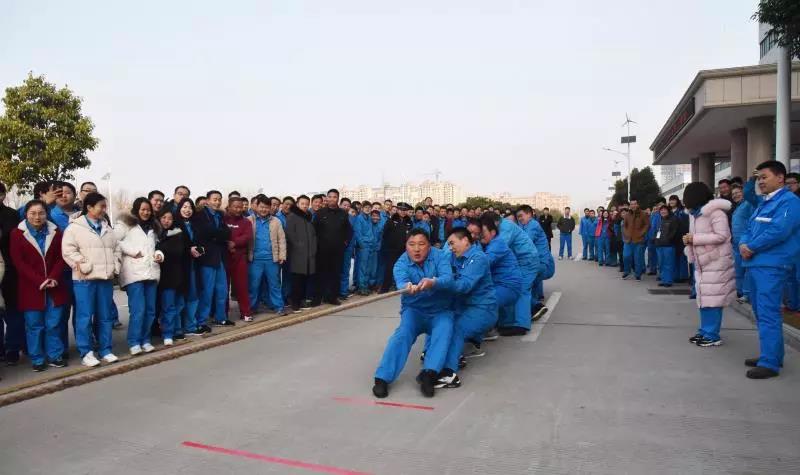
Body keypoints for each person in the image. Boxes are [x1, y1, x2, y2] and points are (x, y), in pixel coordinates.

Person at [372, 229, 455, 399]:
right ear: (406, 246)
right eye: (412, 244)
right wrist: (407, 287)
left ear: (429, 246)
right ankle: (382, 378)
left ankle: (429, 375)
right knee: (402, 335)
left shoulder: (440, 257)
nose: (416, 249)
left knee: (444, 331)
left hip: (440, 310)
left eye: (421, 244)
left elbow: (448, 278)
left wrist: (433, 282)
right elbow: (401, 281)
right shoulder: (401, 263)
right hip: (414, 310)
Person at [739, 161, 800, 379]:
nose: (761, 182)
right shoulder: (765, 202)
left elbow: (779, 231)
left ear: (780, 178)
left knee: (768, 312)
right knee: (760, 310)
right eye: (759, 178)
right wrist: (743, 243)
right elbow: (749, 228)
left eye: (764, 177)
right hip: (756, 263)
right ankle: (772, 354)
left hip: (772, 265)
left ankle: (769, 363)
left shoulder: (790, 202)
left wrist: (751, 246)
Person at [61, 193, 121, 367]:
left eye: (104, 206)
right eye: (101, 206)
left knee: (105, 316)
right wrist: (83, 264)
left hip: (105, 278)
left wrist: (115, 266)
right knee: (84, 317)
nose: (104, 209)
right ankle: (86, 352)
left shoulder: (107, 228)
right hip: (84, 280)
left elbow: (116, 249)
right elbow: (68, 251)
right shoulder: (74, 228)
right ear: (89, 207)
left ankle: (105, 350)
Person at [434, 228, 498, 389]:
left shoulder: (478, 258)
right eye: (448, 244)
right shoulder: (454, 257)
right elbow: (439, 267)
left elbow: (465, 285)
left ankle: (449, 374)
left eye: (452, 243)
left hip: (482, 308)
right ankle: (440, 358)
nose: (450, 248)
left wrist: (438, 283)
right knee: (439, 321)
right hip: (464, 306)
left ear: (465, 241)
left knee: (457, 329)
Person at [11, 200, 69, 371]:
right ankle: (37, 359)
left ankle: (55, 356)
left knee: (54, 324)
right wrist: (39, 280)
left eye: (41, 213)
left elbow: (61, 257)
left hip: (54, 285)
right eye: (33, 213)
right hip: (31, 287)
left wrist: (53, 277)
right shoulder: (17, 233)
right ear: (26, 214)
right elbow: (18, 262)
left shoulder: (55, 232)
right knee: (34, 326)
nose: (37, 217)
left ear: (46, 214)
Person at [682, 182, 735, 348]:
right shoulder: (694, 215)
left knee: (713, 299)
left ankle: (712, 334)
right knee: (704, 298)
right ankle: (705, 330)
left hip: (716, 261)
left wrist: (695, 239)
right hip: (702, 262)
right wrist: (689, 241)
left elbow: (722, 236)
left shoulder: (716, 213)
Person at [116, 198, 164, 354]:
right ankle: (134, 342)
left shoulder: (153, 227)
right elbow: (114, 241)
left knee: (150, 310)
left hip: (151, 272)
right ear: (136, 210)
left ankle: (145, 340)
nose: (146, 212)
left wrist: (159, 254)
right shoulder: (125, 224)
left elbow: (157, 246)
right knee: (138, 310)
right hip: (134, 273)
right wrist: (132, 251)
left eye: (148, 210)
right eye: (143, 209)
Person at [193, 190, 233, 330]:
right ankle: (201, 321)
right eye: (214, 199)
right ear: (208, 200)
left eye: (219, 199)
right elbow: (204, 232)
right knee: (207, 291)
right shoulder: (200, 215)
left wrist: (216, 235)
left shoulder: (220, 215)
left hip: (220, 257)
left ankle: (220, 318)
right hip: (207, 258)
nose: (217, 202)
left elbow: (227, 233)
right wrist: (218, 235)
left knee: (222, 290)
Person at [155, 207, 190, 344]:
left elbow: (178, 251)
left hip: (178, 274)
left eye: (169, 218)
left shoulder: (177, 233)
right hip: (163, 276)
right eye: (164, 218)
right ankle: (168, 333)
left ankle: (177, 330)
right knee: (168, 306)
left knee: (179, 304)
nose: (166, 221)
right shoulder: (154, 235)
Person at [248, 195, 287, 315]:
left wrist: (282, 255)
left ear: (270, 208)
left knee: (274, 284)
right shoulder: (249, 220)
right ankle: (251, 308)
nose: (264, 209)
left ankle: (279, 307)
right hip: (255, 260)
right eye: (261, 207)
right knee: (253, 285)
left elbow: (281, 240)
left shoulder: (276, 221)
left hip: (272, 259)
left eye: (266, 207)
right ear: (256, 206)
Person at [314, 189, 351, 305]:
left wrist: (345, 243)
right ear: (327, 198)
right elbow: (314, 231)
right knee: (321, 274)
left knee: (335, 274)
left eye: (334, 197)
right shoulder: (320, 213)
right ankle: (318, 298)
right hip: (322, 250)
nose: (332, 199)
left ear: (338, 199)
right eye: (329, 196)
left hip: (338, 251)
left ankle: (332, 297)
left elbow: (348, 231)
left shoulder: (343, 214)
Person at [0, 182, 24, 365]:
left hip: (10, 270)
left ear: (3, 195)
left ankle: (12, 349)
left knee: (13, 312)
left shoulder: (11, 215)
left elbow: (18, 244)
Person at [175, 198, 203, 336]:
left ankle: (190, 326)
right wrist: (188, 249)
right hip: (179, 266)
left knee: (193, 295)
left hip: (193, 265)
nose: (187, 210)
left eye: (190, 207)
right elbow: (173, 246)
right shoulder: (174, 224)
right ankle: (177, 329)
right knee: (179, 298)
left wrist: (199, 248)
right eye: (184, 207)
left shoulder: (194, 224)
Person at [285, 195, 317, 312]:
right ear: (297, 204)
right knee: (297, 280)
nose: (305, 206)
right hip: (297, 254)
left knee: (305, 279)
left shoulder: (308, 217)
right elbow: (290, 234)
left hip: (308, 254)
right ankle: (295, 303)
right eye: (302, 204)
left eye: (306, 204)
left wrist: (313, 248)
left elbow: (313, 235)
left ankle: (302, 301)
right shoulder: (292, 216)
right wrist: (299, 245)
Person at [223, 197, 253, 321]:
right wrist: (227, 243)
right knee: (223, 287)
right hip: (224, 258)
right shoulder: (222, 219)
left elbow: (247, 236)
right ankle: (223, 314)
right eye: (235, 207)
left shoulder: (246, 222)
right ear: (229, 207)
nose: (238, 209)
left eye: (240, 207)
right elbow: (218, 233)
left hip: (240, 258)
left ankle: (246, 312)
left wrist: (234, 243)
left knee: (242, 286)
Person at [379, 203, 412, 293]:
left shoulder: (409, 221)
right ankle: (385, 288)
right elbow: (385, 234)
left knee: (402, 268)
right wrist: (388, 246)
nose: (403, 212)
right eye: (401, 210)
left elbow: (410, 235)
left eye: (405, 210)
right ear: (397, 210)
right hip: (391, 249)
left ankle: (400, 286)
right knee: (389, 268)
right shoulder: (391, 220)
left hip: (403, 249)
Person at [730, 185, 754, 303]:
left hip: (745, 243)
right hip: (736, 243)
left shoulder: (749, 204)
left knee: (746, 269)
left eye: (738, 192)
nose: (735, 195)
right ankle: (739, 291)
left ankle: (747, 294)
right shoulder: (737, 207)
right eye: (733, 194)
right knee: (738, 269)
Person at [622, 199, 649, 281]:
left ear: (637, 205)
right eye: (631, 204)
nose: (633, 205)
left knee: (638, 258)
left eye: (635, 204)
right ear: (630, 205)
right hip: (628, 240)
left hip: (639, 240)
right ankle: (627, 271)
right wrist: (626, 233)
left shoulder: (643, 214)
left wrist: (641, 233)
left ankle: (638, 274)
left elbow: (647, 225)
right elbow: (624, 226)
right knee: (626, 256)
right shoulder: (627, 214)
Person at [353, 201, 376, 296]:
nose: (367, 209)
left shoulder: (369, 218)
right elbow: (357, 233)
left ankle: (365, 285)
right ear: (362, 208)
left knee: (368, 267)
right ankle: (361, 287)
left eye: (369, 208)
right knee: (362, 267)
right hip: (364, 246)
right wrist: (362, 245)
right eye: (366, 207)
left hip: (370, 244)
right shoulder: (359, 218)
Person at [653, 205, 678, 288]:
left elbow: (674, 232)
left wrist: (669, 239)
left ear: (668, 211)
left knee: (668, 264)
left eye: (664, 210)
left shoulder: (673, 219)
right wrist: (656, 240)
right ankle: (664, 280)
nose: (663, 211)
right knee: (661, 263)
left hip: (669, 245)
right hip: (659, 245)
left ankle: (668, 281)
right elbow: (657, 232)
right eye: (661, 210)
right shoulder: (661, 220)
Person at [646, 197, 666, 276]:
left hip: (659, 238)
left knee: (660, 256)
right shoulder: (654, 214)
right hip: (651, 237)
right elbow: (650, 225)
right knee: (651, 255)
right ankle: (652, 269)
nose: (659, 206)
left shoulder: (665, 214)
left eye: (661, 204)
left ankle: (661, 273)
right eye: (658, 205)